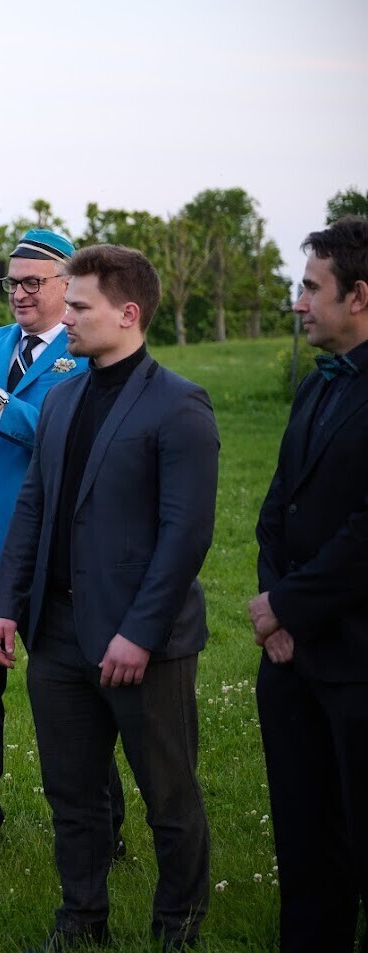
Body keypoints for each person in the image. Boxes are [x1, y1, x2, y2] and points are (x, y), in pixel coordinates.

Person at [0, 245, 218, 952]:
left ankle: (177, 930)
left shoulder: (179, 404)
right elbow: (33, 506)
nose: (68, 317)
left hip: (142, 642)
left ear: (128, 313)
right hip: (55, 633)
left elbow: (185, 535)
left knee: (168, 795)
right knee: (73, 794)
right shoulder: (60, 399)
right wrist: (6, 602)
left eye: (80, 306)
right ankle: (81, 923)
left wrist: (140, 633)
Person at [0, 230, 125, 858]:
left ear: (68, 286)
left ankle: (104, 827)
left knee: (76, 697)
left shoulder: (87, 352)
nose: (20, 293)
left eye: (34, 282)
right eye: (13, 282)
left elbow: (72, 439)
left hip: (45, 554)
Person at [250, 215, 368, 953]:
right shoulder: (314, 387)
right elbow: (275, 512)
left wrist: (287, 604)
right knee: (304, 844)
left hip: (357, 659)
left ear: (359, 296)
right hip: (291, 662)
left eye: (310, 287)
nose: (298, 302)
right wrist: (275, 613)